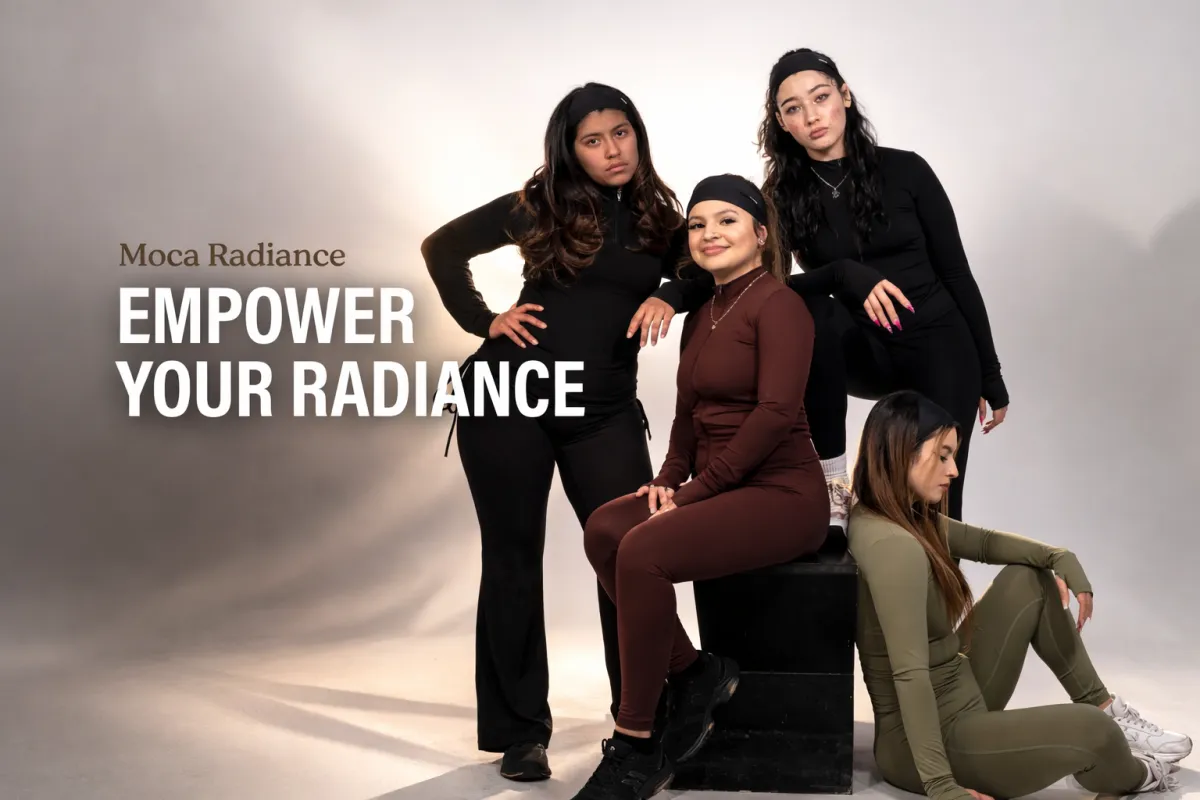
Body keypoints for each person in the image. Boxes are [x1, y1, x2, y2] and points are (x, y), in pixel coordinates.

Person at [421, 82, 696, 782]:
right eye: (593, 139)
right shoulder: (538, 205)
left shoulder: (663, 221)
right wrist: (484, 321)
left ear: (639, 133)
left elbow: (704, 270)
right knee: (513, 557)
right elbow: (442, 247)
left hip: (602, 412)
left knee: (630, 552)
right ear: (570, 149)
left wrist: (670, 291)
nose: (612, 150)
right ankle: (521, 733)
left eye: (621, 133)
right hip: (507, 397)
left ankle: (641, 715)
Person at [660, 48, 1010, 532]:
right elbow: (758, 279)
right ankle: (831, 485)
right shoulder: (781, 196)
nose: (811, 116)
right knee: (806, 308)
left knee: (934, 509)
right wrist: (673, 295)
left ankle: (936, 600)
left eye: (820, 97)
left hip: (938, 343)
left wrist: (988, 373)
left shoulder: (907, 171)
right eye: (793, 108)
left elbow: (956, 274)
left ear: (844, 95)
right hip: (858, 349)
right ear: (782, 123)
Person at [572, 174, 830, 800]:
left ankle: (635, 744)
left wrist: (693, 495)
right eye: (697, 225)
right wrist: (665, 480)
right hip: (718, 485)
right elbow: (687, 416)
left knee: (644, 550)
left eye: (727, 221)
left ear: (760, 234)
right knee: (607, 527)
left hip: (783, 493)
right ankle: (694, 672)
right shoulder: (704, 312)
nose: (709, 234)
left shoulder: (781, 304)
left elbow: (773, 416)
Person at [847, 390, 1189, 800]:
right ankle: (1137, 774)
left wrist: (1058, 556)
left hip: (962, 694)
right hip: (931, 742)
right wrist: (941, 786)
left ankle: (1102, 704)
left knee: (1029, 579)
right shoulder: (892, 547)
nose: (953, 470)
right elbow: (910, 674)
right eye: (942, 455)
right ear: (901, 452)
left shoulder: (896, 516)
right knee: (1094, 734)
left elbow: (986, 543)